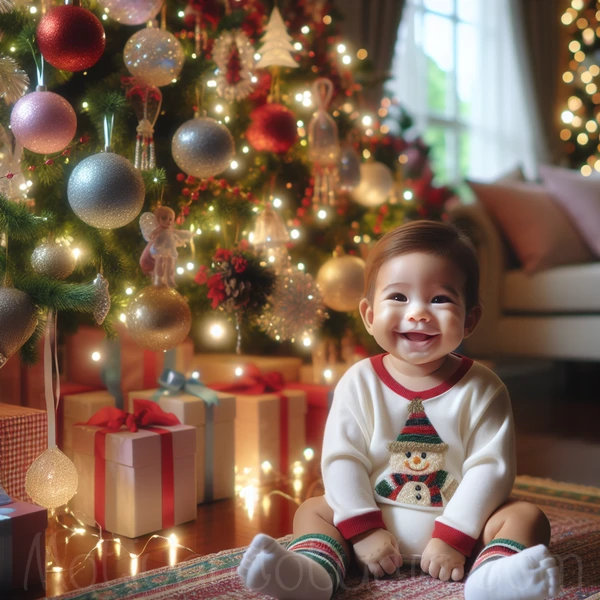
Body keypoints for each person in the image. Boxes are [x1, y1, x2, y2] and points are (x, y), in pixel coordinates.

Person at [238, 220, 561, 600]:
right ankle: (312, 574)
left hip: (462, 535)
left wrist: (454, 536)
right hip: (374, 529)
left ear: (470, 319)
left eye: (440, 299)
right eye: (398, 298)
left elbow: (491, 469)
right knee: (312, 510)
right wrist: (363, 530)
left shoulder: (484, 388)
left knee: (526, 518)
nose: (418, 313)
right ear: (369, 314)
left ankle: (494, 579)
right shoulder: (359, 381)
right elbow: (343, 459)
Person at [139, 205, 194, 287]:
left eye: (170, 219)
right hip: (160, 249)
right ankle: (158, 279)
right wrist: (153, 237)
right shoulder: (159, 229)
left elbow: (179, 233)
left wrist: (187, 234)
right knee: (160, 264)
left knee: (170, 264)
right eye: (164, 218)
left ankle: (169, 279)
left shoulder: (171, 230)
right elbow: (152, 235)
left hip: (170, 250)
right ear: (158, 219)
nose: (168, 221)